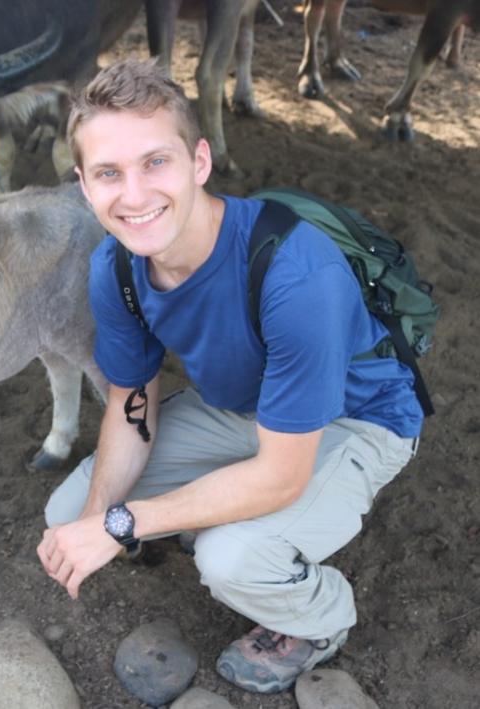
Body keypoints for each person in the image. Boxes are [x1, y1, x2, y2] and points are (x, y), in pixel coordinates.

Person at [36, 58, 422, 694]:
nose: (133, 195)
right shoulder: (118, 267)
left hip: (355, 420)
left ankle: (322, 618)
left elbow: (280, 474)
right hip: (245, 408)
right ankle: (195, 514)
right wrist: (98, 517)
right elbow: (133, 400)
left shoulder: (297, 274)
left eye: (155, 162)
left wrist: (122, 527)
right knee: (68, 509)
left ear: (200, 163)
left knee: (232, 557)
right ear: (84, 186)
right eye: (109, 173)